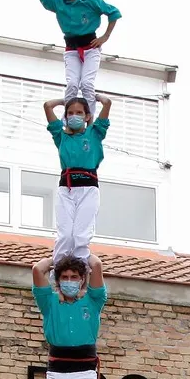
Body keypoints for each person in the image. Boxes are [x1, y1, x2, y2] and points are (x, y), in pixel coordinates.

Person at [33, 0, 121, 105]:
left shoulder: (92, 1)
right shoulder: (58, 3)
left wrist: (105, 36)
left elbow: (114, 13)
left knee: (87, 84)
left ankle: (89, 119)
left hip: (91, 48)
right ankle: (69, 119)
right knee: (72, 85)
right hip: (71, 49)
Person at [40, 94, 112, 267]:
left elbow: (107, 103)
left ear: (87, 116)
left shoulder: (94, 133)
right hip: (66, 188)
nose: (74, 116)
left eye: (79, 112)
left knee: (81, 235)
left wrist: (94, 97)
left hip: (88, 188)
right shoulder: (61, 136)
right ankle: (57, 271)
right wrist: (64, 100)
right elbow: (47, 105)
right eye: (70, 113)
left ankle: (80, 272)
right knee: (65, 235)